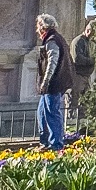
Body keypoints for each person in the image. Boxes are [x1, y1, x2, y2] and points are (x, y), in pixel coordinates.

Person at [34, 12, 75, 150]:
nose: (36, 29)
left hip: (53, 84)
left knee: (52, 113)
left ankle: (56, 144)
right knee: (42, 112)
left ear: (43, 27)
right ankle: (45, 141)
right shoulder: (55, 38)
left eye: (38, 26)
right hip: (53, 83)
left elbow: (52, 63)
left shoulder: (52, 40)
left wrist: (45, 82)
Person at [70, 17, 95, 121]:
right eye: (93, 33)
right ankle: (71, 125)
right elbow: (77, 59)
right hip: (78, 75)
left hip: (86, 75)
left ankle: (82, 125)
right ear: (88, 30)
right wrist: (92, 60)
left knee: (85, 102)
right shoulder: (78, 41)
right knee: (74, 101)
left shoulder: (89, 42)